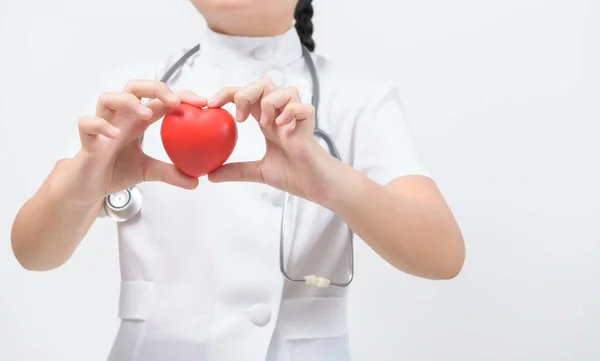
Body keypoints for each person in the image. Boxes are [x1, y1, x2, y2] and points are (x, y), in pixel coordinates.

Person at [10, 0, 465, 360]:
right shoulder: (131, 95)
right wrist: (78, 189)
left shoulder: (360, 100)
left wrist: (329, 180)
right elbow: (34, 253)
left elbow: (442, 256)